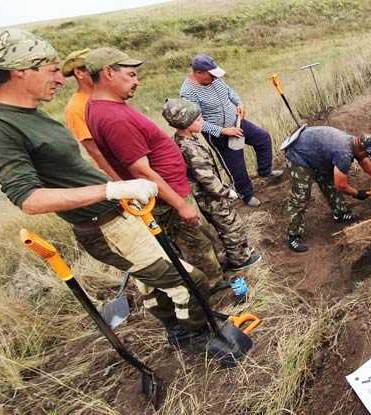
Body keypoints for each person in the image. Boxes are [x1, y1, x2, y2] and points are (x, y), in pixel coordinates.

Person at [0, 29, 215, 352]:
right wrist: (110, 190)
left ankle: (178, 334)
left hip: (117, 217)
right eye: (52, 70)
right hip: (103, 227)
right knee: (191, 281)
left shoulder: (30, 116)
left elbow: (70, 171)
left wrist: (119, 191)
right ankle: (200, 340)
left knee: (152, 284)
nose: (61, 79)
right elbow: (29, 199)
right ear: (20, 70)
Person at [84, 47, 223, 282]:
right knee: (197, 248)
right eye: (130, 75)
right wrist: (180, 205)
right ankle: (216, 290)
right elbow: (141, 170)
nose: (137, 81)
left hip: (168, 191)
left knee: (199, 243)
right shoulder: (114, 118)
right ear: (108, 73)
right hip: (167, 199)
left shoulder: (102, 106)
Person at [161, 98, 261, 271]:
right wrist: (225, 192)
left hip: (202, 196)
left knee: (220, 227)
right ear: (185, 124)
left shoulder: (181, 140)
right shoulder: (191, 148)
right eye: (197, 120)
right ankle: (240, 259)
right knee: (230, 224)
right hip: (209, 197)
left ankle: (235, 252)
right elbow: (206, 178)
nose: (201, 122)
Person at [179, 54, 282, 207]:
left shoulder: (215, 79)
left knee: (262, 138)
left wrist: (239, 103)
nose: (214, 78)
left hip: (237, 123)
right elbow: (196, 123)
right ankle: (245, 194)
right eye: (211, 74)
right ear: (198, 73)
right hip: (219, 134)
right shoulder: (188, 92)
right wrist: (224, 131)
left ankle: (265, 171)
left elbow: (230, 92)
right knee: (237, 165)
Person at [283, 126, 371, 252]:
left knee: (329, 181)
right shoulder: (344, 154)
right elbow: (341, 185)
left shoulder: (354, 142)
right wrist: (358, 194)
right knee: (300, 197)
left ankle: (340, 213)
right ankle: (293, 236)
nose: (367, 157)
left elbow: (362, 159)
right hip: (299, 155)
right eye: (367, 153)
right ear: (360, 148)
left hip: (316, 152)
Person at [61, 48, 120, 179]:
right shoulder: (75, 108)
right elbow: (95, 151)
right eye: (93, 70)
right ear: (79, 73)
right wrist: (121, 181)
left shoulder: (109, 94)